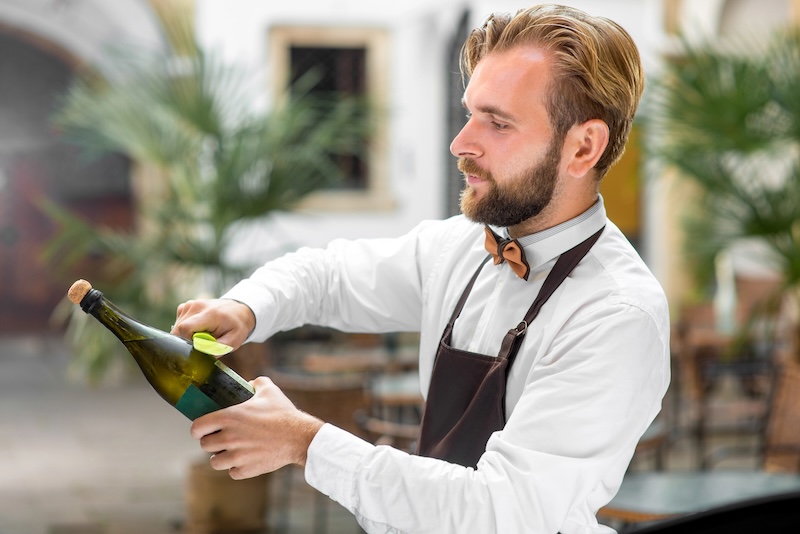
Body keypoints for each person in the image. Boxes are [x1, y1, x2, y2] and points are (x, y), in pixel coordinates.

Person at [172, 4, 670, 533]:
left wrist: (305, 442)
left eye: (497, 122)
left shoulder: (617, 314)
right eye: (470, 113)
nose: (461, 144)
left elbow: (503, 514)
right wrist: (247, 307)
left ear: (583, 146)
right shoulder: (456, 250)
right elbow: (328, 276)